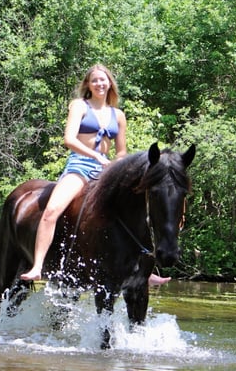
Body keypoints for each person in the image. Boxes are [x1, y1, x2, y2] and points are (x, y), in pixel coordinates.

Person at [20, 64, 170, 286]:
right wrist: (96, 156)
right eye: (95, 80)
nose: (100, 84)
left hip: (107, 172)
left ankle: (145, 270)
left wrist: (116, 167)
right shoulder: (79, 106)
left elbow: (121, 152)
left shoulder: (117, 115)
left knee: (137, 210)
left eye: (104, 80)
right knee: (52, 210)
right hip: (80, 166)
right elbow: (69, 140)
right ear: (88, 85)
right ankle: (38, 265)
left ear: (110, 83)